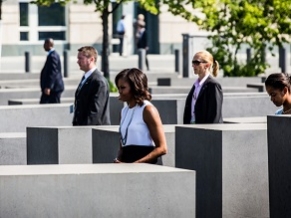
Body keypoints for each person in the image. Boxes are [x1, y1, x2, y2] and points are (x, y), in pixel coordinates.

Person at [114, 68, 167, 163]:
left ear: (135, 88)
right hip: (126, 165)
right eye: (118, 88)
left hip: (146, 165)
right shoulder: (124, 111)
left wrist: (137, 164)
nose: (120, 91)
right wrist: (118, 159)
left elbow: (162, 148)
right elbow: (123, 144)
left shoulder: (148, 109)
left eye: (123, 88)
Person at [72, 46, 111, 126]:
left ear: (91, 59)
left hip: (94, 131)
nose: (77, 61)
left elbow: (95, 111)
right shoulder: (86, 78)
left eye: (80, 58)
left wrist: (85, 130)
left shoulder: (98, 81)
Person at [183, 50, 223, 124]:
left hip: (205, 131)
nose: (193, 65)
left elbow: (214, 115)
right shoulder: (196, 85)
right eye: (193, 62)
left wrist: (208, 133)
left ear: (207, 65)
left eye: (196, 63)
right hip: (192, 129)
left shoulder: (213, 85)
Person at [40, 38, 64, 104]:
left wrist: (48, 87)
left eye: (45, 44)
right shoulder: (52, 55)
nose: (43, 46)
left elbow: (53, 72)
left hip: (53, 88)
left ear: (49, 44)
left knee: (53, 108)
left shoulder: (53, 56)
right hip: (52, 88)